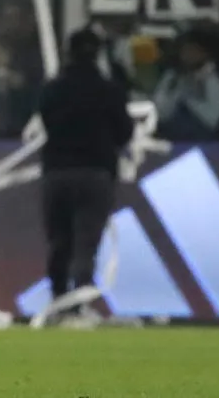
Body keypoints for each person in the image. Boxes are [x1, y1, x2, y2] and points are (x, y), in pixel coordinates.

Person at [36, 27, 133, 325]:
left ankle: (57, 302)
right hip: (95, 172)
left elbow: (45, 122)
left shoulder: (53, 88)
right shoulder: (110, 90)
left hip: (57, 172)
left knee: (59, 241)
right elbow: (125, 132)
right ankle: (79, 305)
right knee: (86, 242)